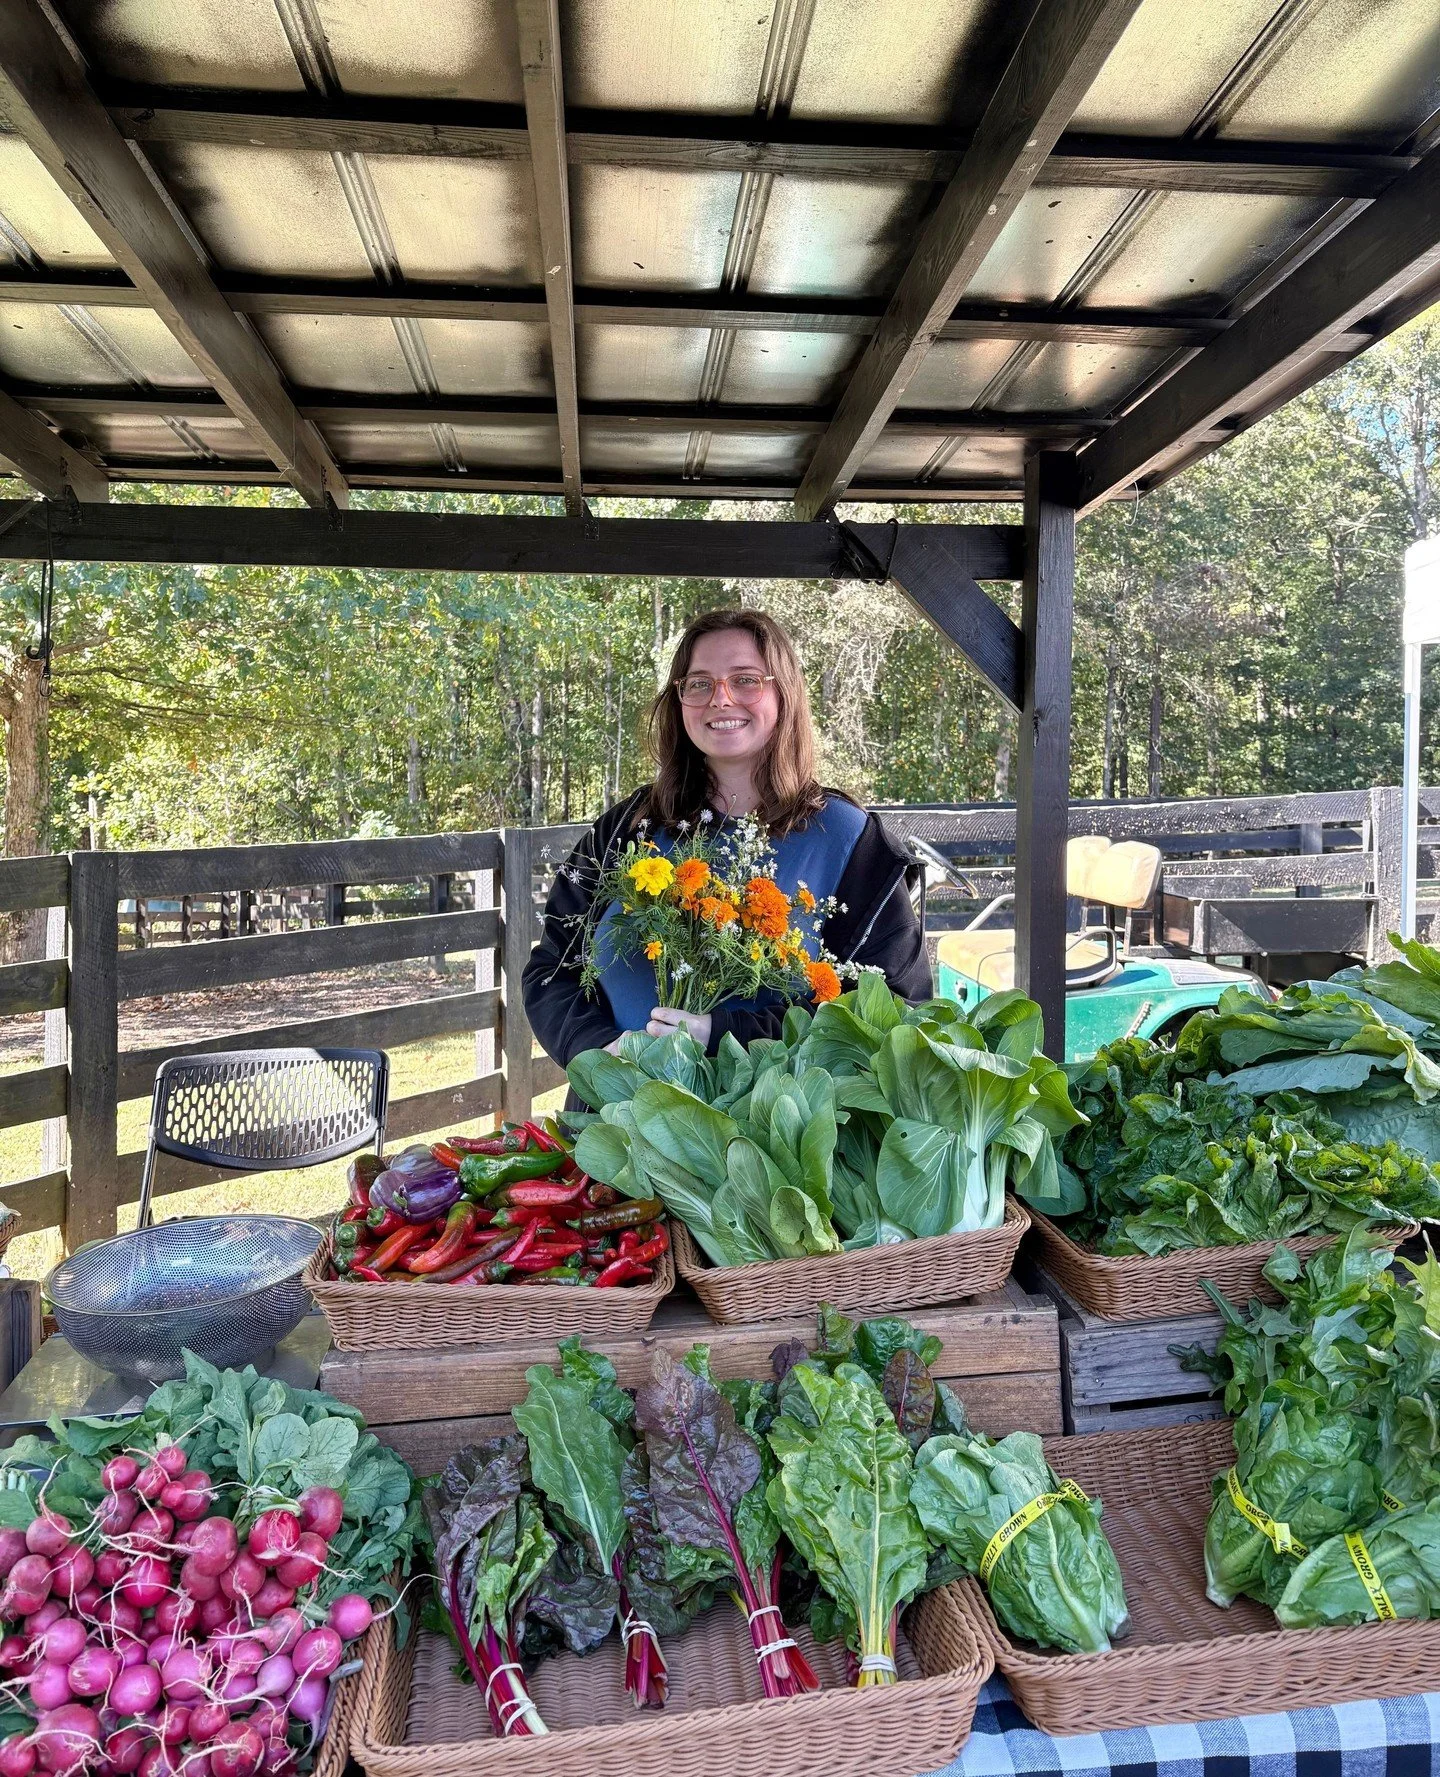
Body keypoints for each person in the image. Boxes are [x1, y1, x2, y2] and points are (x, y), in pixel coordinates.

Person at [522, 608, 931, 1068]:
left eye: (746, 679)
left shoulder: (848, 838)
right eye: (699, 683)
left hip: (771, 1131)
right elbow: (551, 971)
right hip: (617, 1123)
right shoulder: (627, 828)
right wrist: (598, 1049)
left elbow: (894, 1006)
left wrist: (724, 1036)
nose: (720, 699)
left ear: (784, 695)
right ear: (679, 702)